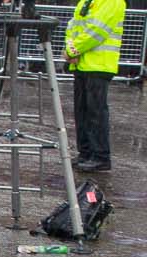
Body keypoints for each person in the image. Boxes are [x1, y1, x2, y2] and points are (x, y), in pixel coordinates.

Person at [65, 0, 122, 174]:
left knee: (95, 112)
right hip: (82, 64)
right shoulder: (87, 1)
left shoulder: (113, 2)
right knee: (82, 111)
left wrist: (73, 50)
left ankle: (100, 156)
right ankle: (86, 152)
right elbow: (72, 27)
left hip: (99, 64)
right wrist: (70, 48)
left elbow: (98, 31)